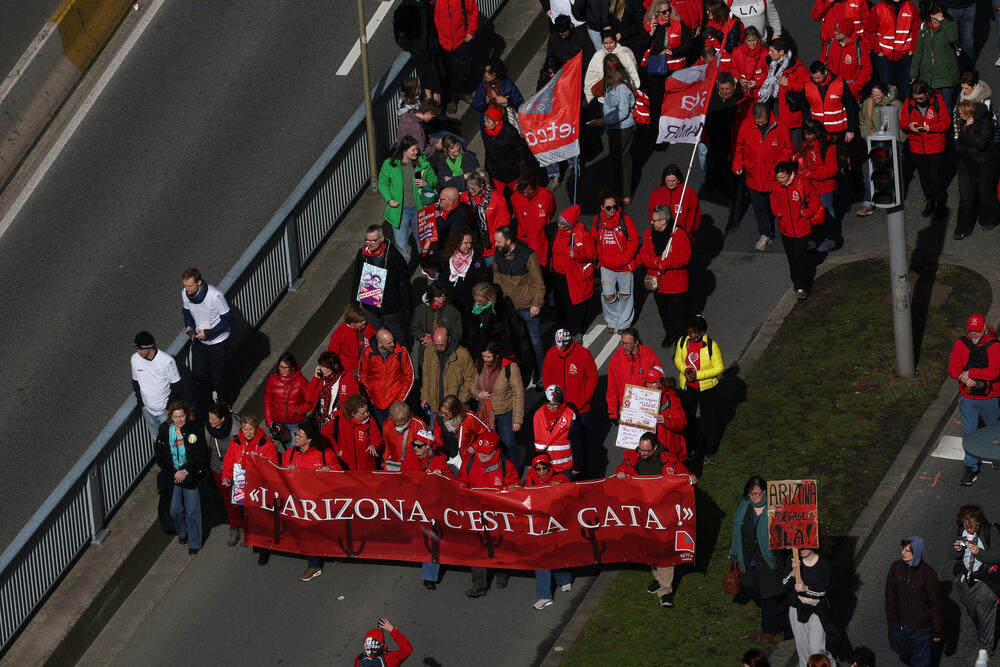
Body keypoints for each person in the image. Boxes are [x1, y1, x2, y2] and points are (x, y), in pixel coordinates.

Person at [616, 432, 695, 608]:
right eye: (640, 449)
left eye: (646, 451)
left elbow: (684, 474)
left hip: (664, 513)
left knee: (665, 550)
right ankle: (658, 578)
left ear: (656, 447)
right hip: (644, 513)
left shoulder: (668, 459)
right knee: (650, 548)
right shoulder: (634, 456)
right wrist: (621, 473)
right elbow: (622, 469)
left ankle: (665, 591)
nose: (642, 453)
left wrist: (690, 478)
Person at [458, 433, 520, 597]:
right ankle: (479, 585)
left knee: (500, 545)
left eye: (486, 453)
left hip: (498, 513)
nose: (483, 456)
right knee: (478, 547)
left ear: (495, 450)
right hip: (476, 513)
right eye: (480, 452)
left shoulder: (505, 465)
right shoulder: (469, 462)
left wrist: (511, 488)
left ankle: (502, 573)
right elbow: (462, 480)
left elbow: (514, 484)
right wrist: (462, 486)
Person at [730, 475, 788, 641]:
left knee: (768, 596)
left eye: (757, 493)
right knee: (751, 589)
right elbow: (738, 530)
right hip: (749, 560)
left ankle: (768, 630)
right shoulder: (744, 506)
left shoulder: (775, 508)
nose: (753, 496)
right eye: (751, 493)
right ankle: (779, 612)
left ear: (765, 492)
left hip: (768, 560)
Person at [947, 313, 1000, 485]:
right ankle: (970, 468)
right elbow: (952, 368)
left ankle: (996, 457)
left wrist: (970, 373)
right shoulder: (961, 344)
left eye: (977, 331)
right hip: (967, 397)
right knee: (969, 433)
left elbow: (994, 372)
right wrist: (961, 377)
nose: (974, 334)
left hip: (990, 397)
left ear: (985, 328)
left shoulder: (995, 346)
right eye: (971, 331)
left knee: (994, 428)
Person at [734, 103, 794, 252]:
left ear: (769, 115)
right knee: (759, 208)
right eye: (758, 122)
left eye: (763, 122)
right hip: (753, 176)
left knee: (781, 206)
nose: (760, 124)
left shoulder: (780, 126)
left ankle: (790, 232)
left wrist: (779, 166)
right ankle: (766, 233)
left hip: (774, 177)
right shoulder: (746, 125)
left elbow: (788, 148)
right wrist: (738, 163)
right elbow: (739, 146)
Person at [221, 414, 279, 564]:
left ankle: (264, 549)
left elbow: (272, 466)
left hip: (259, 486)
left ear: (256, 428)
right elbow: (228, 463)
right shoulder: (236, 442)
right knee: (247, 516)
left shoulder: (265, 443)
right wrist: (226, 477)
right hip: (241, 484)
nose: (247, 432)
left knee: (260, 517)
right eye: (245, 429)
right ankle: (253, 540)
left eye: (250, 429)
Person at [284, 422, 339, 581]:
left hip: (322, 501)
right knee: (308, 532)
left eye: (300, 436)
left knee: (326, 530)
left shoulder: (325, 454)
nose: (295, 437)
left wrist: (330, 470)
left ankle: (334, 551)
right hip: (301, 502)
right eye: (296, 435)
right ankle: (314, 565)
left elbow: (340, 472)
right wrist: (288, 471)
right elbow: (281, 475)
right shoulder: (289, 455)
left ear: (309, 439)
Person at [154, 401, 210, 555]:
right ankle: (182, 531)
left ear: (187, 415)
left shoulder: (194, 430)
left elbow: (202, 455)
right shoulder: (164, 431)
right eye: (175, 417)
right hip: (174, 477)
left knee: (192, 511)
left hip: (189, 476)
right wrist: (174, 472)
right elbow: (160, 457)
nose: (179, 420)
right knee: (175, 510)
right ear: (171, 417)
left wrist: (186, 471)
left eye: (181, 416)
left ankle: (194, 542)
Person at [948, 505, 1000, 667]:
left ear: (979, 521)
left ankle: (985, 651)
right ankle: (987, 632)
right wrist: (957, 550)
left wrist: (979, 552)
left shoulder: (989, 531)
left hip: (986, 580)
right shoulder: (959, 531)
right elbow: (951, 553)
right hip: (967, 580)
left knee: (985, 615)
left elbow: (997, 556)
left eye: (972, 525)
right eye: (966, 525)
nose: (969, 528)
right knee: (974, 613)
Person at [493, 225, 546, 382]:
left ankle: (541, 374)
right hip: (508, 307)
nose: (495, 244)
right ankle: (522, 374)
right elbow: (496, 280)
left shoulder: (528, 255)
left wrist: (536, 304)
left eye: (498, 241)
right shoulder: (498, 254)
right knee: (516, 344)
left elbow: (537, 282)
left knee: (535, 343)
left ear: (508, 241)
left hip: (527, 307)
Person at [402, 428, 453, 589]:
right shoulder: (409, 457)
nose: (415, 448)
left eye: (419, 446)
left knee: (432, 539)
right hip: (414, 504)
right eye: (414, 444)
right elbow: (402, 478)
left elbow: (451, 482)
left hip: (432, 505)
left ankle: (429, 576)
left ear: (428, 447)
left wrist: (441, 476)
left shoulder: (439, 461)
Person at [524, 451, 573, 609]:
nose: (541, 471)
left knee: (558, 552)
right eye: (538, 468)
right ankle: (544, 596)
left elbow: (572, 498)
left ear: (549, 466)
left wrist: (561, 488)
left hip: (557, 522)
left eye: (544, 467)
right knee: (542, 557)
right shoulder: (529, 480)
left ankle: (564, 579)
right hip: (539, 523)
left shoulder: (561, 478)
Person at [378, 136, 438, 262]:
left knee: (423, 242)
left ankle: (426, 265)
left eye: (417, 149)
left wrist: (426, 183)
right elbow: (382, 183)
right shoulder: (390, 164)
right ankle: (403, 270)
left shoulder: (423, 164)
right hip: (400, 209)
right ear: (404, 150)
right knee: (401, 246)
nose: (416, 152)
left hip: (420, 208)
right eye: (413, 150)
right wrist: (389, 199)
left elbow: (434, 180)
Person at [885, 536, 943, 667]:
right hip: (898, 625)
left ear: (916, 552)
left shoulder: (928, 575)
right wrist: (892, 619)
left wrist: (937, 630)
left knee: (921, 661)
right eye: (903, 549)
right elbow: (890, 595)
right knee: (897, 647)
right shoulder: (896, 568)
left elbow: (935, 604)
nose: (902, 553)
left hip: (920, 628)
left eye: (907, 551)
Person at [674, 315, 724, 463]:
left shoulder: (711, 345)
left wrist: (698, 375)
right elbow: (677, 360)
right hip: (688, 387)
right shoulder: (682, 341)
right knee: (689, 419)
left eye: (695, 332)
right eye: (690, 331)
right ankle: (692, 448)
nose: (692, 335)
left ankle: (709, 450)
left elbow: (719, 368)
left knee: (707, 420)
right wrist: (685, 370)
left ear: (702, 332)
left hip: (707, 389)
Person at [351, 224, 413, 344]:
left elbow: (404, 281)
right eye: (367, 240)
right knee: (373, 335)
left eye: (373, 240)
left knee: (397, 335)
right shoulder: (362, 254)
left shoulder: (393, 255)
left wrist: (407, 306)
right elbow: (357, 277)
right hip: (370, 306)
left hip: (389, 307)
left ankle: (402, 353)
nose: (369, 244)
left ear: (381, 238)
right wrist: (354, 305)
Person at [770, 161, 824, 300]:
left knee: (799, 258)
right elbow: (774, 200)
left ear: (789, 174)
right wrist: (777, 212)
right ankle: (797, 282)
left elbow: (814, 198)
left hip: (802, 229)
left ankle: (801, 286)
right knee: (791, 258)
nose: (780, 180)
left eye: (782, 177)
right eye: (778, 177)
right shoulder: (776, 186)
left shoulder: (802, 182)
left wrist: (807, 212)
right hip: (785, 230)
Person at [641, 205, 692, 348]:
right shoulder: (650, 235)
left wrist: (666, 263)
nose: (651, 222)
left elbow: (684, 258)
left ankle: (680, 342)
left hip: (676, 286)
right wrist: (657, 262)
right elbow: (644, 255)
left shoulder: (678, 234)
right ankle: (669, 334)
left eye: (654, 220)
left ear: (664, 221)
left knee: (678, 316)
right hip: (658, 285)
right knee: (664, 313)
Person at [901, 80, 952, 219]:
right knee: (924, 177)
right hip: (917, 147)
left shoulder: (937, 102)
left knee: (935, 176)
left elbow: (946, 122)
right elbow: (903, 121)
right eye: (916, 98)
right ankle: (930, 201)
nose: (919, 101)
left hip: (935, 146)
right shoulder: (908, 103)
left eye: (921, 98)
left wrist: (932, 127)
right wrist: (909, 126)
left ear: (927, 94)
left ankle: (940, 202)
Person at [181, 268, 231, 406]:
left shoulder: (215, 295)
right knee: (197, 375)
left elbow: (227, 319)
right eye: (185, 286)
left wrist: (208, 333)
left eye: (190, 286)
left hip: (218, 341)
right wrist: (189, 325)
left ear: (199, 282)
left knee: (217, 376)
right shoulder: (185, 293)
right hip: (200, 339)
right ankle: (205, 404)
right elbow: (186, 311)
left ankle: (222, 406)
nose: (187, 289)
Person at [543, 328, 599, 449]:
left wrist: (583, 398)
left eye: (564, 345)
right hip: (558, 407)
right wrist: (552, 399)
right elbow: (546, 378)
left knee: (581, 442)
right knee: (559, 441)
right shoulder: (551, 354)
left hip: (580, 408)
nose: (562, 349)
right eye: (559, 345)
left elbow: (592, 378)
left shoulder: (583, 354)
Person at [593, 192, 639, 332]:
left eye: (615, 206)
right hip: (606, 266)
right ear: (602, 207)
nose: (612, 210)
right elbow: (594, 240)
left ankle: (624, 323)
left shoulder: (625, 219)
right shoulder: (597, 221)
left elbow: (634, 241)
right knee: (608, 296)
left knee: (625, 296)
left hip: (624, 266)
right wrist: (601, 257)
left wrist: (625, 259)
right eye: (608, 208)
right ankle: (612, 321)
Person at [474, 342, 525, 470]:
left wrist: (517, 420)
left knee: (509, 446)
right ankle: (496, 473)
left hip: (505, 414)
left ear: (497, 356)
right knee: (490, 447)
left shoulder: (510, 367)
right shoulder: (480, 365)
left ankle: (513, 474)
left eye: (488, 357)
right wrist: (478, 395)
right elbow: (472, 385)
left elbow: (518, 394)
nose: (485, 360)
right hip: (486, 414)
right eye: (483, 356)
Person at [856, 81, 903, 217]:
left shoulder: (896, 104)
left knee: (894, 172)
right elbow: (863, 120)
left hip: (891, 143)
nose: (875, 98)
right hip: (874, 142)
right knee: (870, 172)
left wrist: (900, 146)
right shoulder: (868, 103)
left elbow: (902, 126)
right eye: (873, 95)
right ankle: (867, 203)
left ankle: (895, 197)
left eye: (878, 95)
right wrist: (868, 137)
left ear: (885, 94)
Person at [594, 54, 636, 203]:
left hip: (622, 128)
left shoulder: (620, 87)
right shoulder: (615, 82)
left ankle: (624, 193)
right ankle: (621, 191)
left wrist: (604, 121)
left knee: (622, 160)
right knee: (619, 159)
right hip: (616, 127)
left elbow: (622, 112)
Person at [548, 205, 596, 336]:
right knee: (562, 302)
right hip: (558, 274)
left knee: (575, 303)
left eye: (563, 224)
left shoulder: (583, 235)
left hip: (574, 276)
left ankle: (576, 331)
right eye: (559, 222)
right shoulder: (555, 231)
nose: (559, 225)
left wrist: (577, 255)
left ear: (570, 225)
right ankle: (565, 325)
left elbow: (591, 255)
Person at [954, 100, 999, 240]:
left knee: (985, 194)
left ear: (969, 115)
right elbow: (960, 141)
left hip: (983, 164)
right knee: (965, 197)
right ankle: (962, 228)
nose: (958, 115)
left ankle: (989, 219)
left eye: (961, 113)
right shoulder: (963, 121)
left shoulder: (986, 122)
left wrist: (970, 128)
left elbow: (979, 143)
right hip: (966, 163)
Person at [783, 546, 833, 667]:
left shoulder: (823, 563)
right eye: (799, 546)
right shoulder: (793, 559)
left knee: (817, 650)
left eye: (805, 546)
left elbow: (824, 591)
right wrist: (793, 572)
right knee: (803, 651)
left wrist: (806, 589)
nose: (802, 549)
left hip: (816, 611)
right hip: (796, 610)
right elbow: (785, 583)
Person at [796, 120, 839, 252]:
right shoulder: (807, 146)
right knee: (811, 213)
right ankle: (813, 239)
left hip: (825, 187)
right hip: (811, 186)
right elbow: (804, 161)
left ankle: (830, 239)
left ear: (817, 133)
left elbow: (832, 170)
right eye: (805, 134)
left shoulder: (828, 147)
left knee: (827, 213)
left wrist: (811, 173)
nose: (807, 136)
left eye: (809, 134)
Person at [865, 0, 919, 101]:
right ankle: (888, 111)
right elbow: (870, 30)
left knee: (905, 89)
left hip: (905, 55)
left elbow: (916, 29)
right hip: (885, 56)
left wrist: (912, 49)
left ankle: (904, 110)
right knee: (887, 90)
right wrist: (878, 51)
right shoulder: (879, 8)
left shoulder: (910, 7)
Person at [131, 331, 181, 439]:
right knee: (157, 440)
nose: (138, 352)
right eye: (137, 349)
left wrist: (169, 407)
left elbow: (176, 385)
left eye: (141, 349)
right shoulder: (135, 359)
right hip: (148, 411)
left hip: (165, 412)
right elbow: (135, 382)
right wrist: (141, 403)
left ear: (150, 347)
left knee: (172, 441)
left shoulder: (167, 361)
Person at [359, 328, 415, 426]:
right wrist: (370, 397)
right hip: (375, 403)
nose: (393, 344)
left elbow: (409, 378)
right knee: (381, 430)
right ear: (380, 344)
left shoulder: (401, 352)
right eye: (388, 343)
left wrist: (399, 401)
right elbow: (363, 376)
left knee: (394, 430)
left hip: (394, 402)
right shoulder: (368, 352)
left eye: (392, 341)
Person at [204, 402, 241, 545]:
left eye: (213, 419)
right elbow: (207, 447)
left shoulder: (235, 427)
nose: (210, 421)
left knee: (239, 500)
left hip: (236, 470)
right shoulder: (208, 429)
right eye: (209, 418)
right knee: (227, 500)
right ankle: (234, 527)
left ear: (223, 419)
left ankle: (247, 528)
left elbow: (240, 450)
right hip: (217, 468)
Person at [607, 327, 662, 422]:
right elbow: (612, 387)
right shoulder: (615, 360)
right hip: (625, 409)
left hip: (646, 408)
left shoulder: (651, 358)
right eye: (622, 343)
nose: (624, 346)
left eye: (627, 343)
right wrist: (612, 412)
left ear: (636, 342)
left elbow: (661, 383)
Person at [761, 37, 808, 147]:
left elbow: (807, 86)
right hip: (774, 109)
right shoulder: (770, 63)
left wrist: (789, 83)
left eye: (772, 51)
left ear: (781, 52)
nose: (769, 53)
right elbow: (764, 79)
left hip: (790, 115)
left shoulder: (798, 66)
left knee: (794, 145)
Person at [910, 6, 960, 110]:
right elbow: (918, 51)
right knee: (930, 110)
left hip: (946, 77)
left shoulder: (950, 25)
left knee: (945, 109)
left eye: (938, 18)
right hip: (927, 77)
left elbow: (953, 38)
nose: (934, 21)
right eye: (933, 18)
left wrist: (943, 22)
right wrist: (913, 73)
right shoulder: (924, 27)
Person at [433, 0, 478, 115]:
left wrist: (471, 30)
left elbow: (472, 10)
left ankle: (462, 92)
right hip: (443, 42)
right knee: (448, 73)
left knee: (463, 69)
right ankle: (452, 99)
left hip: (460, 40)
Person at [393, 1, 442, 104]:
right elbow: (427, 31)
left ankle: (430, 108)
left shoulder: (400, 10)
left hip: (418, 53)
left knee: (428, 84)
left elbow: (398, 37)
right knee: (435, 86)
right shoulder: (420, 8)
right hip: (428, 52)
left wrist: (410, 47)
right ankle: (434, 109)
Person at [463, 281, 525, 362]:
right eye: (475, 300)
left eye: (481, 301)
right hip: (477, 353)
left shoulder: (501, 307)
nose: (477, 303)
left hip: (496, 353)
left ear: (489, 297)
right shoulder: (470, 307)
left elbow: (509, 334)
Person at [481, 107, 536, 195]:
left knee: (519, 195)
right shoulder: (485, 132)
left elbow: (521, 153)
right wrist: (487, 169)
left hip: (512, 174)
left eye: (488, 122)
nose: (485, 124)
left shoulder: (509, 132)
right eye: (484, 121)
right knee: (496, 197)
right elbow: (488, 151)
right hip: (495, 174)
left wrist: (521, 173)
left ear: (496, 122)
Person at [421, 327, 477, 412]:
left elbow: (471, 380)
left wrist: (459, 401)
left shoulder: (463, 354)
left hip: (454, 408)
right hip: (434, 406)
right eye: (436, 345)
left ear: (449, 339)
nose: (438, 348)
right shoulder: (429, 351)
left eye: (441, 345)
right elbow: (425, 376)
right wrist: (425, 397)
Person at [410, 281, 463, 371]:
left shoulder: (452, 312)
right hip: (426, 353)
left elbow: (457, 333)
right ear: (432, 296)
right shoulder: (420, 310)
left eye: (444, 296)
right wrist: (423, 337)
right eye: (438, 296)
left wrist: (443, 339)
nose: (442, 299)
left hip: (446, 353)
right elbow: (414, 328)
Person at [262, 353, 310, 450]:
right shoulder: (272, 379)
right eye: (280, 367)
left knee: (294, 451)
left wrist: (298, 410)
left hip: (295, 424)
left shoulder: (301, 381)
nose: (282, 370)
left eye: (285, 368)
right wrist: (269, 421)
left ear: (292, 367)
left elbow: (311, 401)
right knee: (288, 449)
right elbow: (267, 401)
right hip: (278, 424)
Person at [802, 61, 858, 144]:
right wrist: (809, 127)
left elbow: (850, 107)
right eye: (814, 78)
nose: (816, 80)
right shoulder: (807, 85)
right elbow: (805, 108)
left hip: (839, 131)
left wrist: (851, 130)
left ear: (825, 72)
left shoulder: (839, 83)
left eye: (818, 78)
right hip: (818, 131)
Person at [510, 169, 556, 269]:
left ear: (534, 186)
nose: (525, 195)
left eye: (528, 192)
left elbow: (551, 211)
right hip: (525, 239)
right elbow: (518, 216)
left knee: (543, 268)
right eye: (523, 192)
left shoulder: (546, 195)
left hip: (542, 240)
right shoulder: (515, 197)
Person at [439, 226, 491, 312]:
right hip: (452, 305)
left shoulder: (477, 261)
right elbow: (444, 280)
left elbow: (481, 283)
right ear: (457, 243)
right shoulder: (450, 258)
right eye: (466, 243)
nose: (469, 246)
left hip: (469, 307)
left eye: (470, 243)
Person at [324, 394, 382, 471]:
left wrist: (373, 445)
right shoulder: (339, 420)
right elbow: (324, 435)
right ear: (353, 414)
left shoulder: (369, 420)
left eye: (367, 411)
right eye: (363, 413)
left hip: (366, 467)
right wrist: (336, 449)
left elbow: (377, 437)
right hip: (346, 467)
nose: (366, 414)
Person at [585, 29, 641, 107]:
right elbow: (591, 76)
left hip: (624, 96)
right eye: (606, 43)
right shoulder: (598, 56)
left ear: (615, 41)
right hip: (604, 99)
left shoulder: (625, 53)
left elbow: (633, 72)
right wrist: (590, 96)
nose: (609, 46)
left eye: (611, 42)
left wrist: (633, 89)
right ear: (602, 43)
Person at [464, 170, 510, 263]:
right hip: (472, 247)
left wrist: (497, 240)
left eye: (473, 188)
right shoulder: (464, 198)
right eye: (468, 188)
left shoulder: (497, 199)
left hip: (492, 246)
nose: (470, 191)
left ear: (481, 186)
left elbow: (503, 221)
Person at [642, 365, 687, 460]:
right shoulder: (639, 395)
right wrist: (625, 412)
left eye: (654, 382)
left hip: (667, 447)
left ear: (661, 382)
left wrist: (666, 421)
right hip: (647, 448)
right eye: (648, 382)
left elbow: (681, 424)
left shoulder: (672, 398)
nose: (650, 385)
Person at [306, 351, 361, 427]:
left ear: (335, 366)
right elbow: (309, 399)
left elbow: (355, 403)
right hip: (320, 422)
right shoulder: (321, 379)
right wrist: (316, 379)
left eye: (326, 367)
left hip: (338, 423)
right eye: (321, 366)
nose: (323, 369)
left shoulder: (348, 378)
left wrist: (336, 416)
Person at [533, 385, 578, 478]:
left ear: (560, 402)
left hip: (564, 466)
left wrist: (577, 465)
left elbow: (577, 442)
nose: (551, 407)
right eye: (549, 403)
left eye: (555, 404)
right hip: (544, 466)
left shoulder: (570, 415)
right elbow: (531, 440)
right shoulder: (538, 414)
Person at [431, 394, 490, 465]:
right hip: (448, 457)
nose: (443, 415)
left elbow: (487, 433)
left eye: (446, 413)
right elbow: (438, 441)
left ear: (455, 411)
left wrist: (475, 447)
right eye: (441, 411)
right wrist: (440, 456)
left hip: (466, 457)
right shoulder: (439, 419)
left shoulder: (469, 418)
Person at [428, 186, 475, 274]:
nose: (438, 201)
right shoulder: (445, 208)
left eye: (441, 199)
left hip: (448, 261)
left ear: (450, 201)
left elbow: (449, 236)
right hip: (438, 254)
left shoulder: (460, 218)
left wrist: (438, 219)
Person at [821, 19, 871, 102]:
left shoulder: (859, 46)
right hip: (831, 90)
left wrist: (855, 87)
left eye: (839, 32)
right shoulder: (831, 44)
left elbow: (867, 69)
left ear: (847, 33)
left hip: (850, 93)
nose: (835, 33)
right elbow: (822, 63)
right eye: (835, 30)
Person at [471, 58, 524, 130]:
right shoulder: (482, 86)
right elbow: (475, 104)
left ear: (496, 72)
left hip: (507, 121)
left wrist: (506, 101)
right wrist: (486, 101)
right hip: (490, 123)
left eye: (489, 73)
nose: (486, 75)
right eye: (485, 72)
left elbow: (519, 100)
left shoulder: (507, 83)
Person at [647, 164, 701, 236]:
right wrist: (655, 224)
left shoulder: (688, 193)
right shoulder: (657, 191)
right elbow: (651, 210)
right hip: (660, 233)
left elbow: (694, 215)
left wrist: (687, 232)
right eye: (667, 181)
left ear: (678, 179)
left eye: (673, 181)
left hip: (682, 234)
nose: (670, 184)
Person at [327, 303, 376, 376]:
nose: (364, 322)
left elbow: (376, 340)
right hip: (352, 370)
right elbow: (332, 356)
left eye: (364, 319)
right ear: (353, 324)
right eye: (361, 321)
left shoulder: (367, 327)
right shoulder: (339, 334)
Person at [382, 401, 429, 472]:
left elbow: (423, 450)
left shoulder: (418, 425)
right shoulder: (387, 425)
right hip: (392, 465)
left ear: (407, 417)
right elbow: (387, 447)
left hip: (411, 466)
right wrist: (385, 463)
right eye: (394, 420)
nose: (397, 424)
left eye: (401, 421)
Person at [725, 27, 768, 98]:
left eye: (754, 40)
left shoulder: (765, 53)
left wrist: (757, 83)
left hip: (760, 91)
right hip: (742, 91)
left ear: (758, 39)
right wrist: (740, 79)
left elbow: (769, 74)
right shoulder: (736, 52)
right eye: (749, 40)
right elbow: (732, 68)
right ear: (745, 40)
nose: (752, 43)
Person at [703, 1, 744, 69]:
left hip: (729, 64)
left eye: (710, 11)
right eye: (707, 10)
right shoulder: (711, 22)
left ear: (717, 11)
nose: (707, 12)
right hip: (714, 63)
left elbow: (731, 48)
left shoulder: (733, 24)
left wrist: (717, 33)